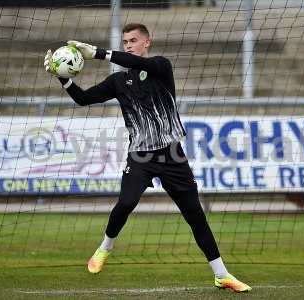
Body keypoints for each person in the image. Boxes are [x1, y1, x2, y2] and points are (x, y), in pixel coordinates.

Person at [44, 23, 251, 293]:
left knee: (195, 216)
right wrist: (62, 76)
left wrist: (99, 53)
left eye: (133, 40)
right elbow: (83, 99)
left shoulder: (161, 67)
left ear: (147, 43)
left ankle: (221, 275)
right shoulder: (118, 81)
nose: (128, 45)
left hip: (172, 154)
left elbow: (130, 60)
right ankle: (105, 247)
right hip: (140, 156)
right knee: (126, 203)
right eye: (125, 41)